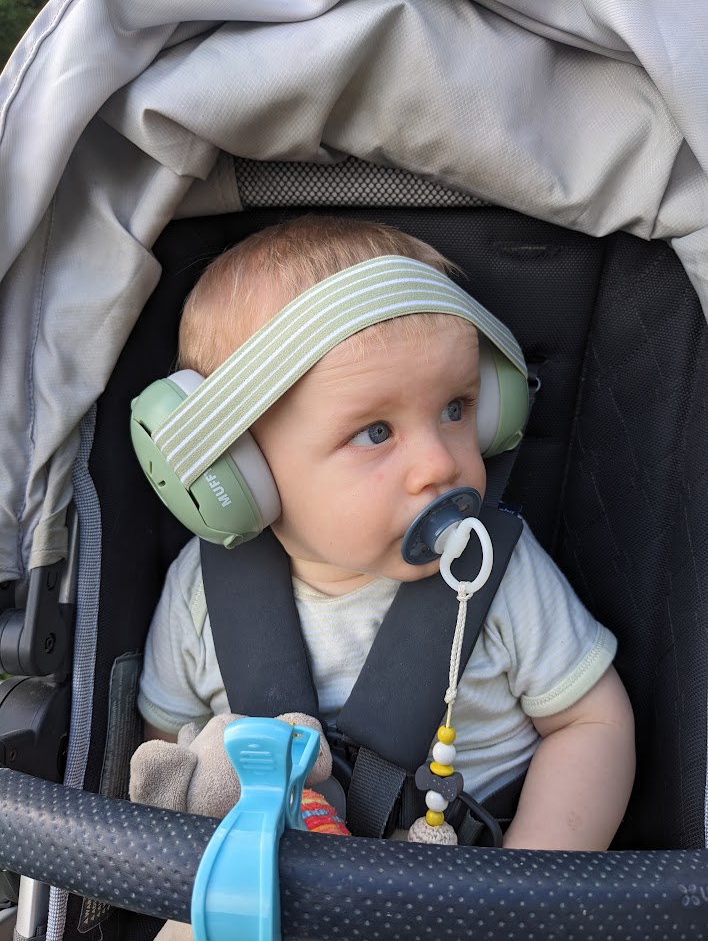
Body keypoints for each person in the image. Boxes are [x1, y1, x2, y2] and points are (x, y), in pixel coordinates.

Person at [136, 215, 635, 851]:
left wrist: (525, 882)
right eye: (375, 432)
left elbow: (592, 723)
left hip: (468, 880)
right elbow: (168, 752)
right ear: (241, 468)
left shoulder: (494, 570)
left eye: (455, 409)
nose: (440, 464)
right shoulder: (200, 595)